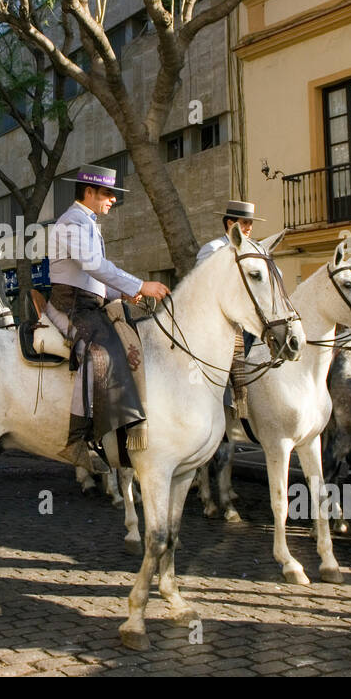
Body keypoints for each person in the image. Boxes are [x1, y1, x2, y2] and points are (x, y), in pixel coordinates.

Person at [46, 164, 170, 473]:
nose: (112, 199)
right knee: (96, 354)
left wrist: (122, 293)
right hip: (68, 306)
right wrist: (139, 285)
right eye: (107, 194)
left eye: (112, 195)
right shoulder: (72, 222)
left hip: (87, 304)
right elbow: (93, 266)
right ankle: (78, 439)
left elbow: (96, 276)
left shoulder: (86, 222)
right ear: (88, 192)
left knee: (127, 343)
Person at [197, 200, 263, 419]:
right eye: (244, 223)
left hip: (251, 322)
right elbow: (203, 284)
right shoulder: (213, 249)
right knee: (223, 372)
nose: (249, 228)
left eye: (250, 223)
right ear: (230, 224)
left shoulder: (256, 250)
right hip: (221, 324)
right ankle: (225, 417)